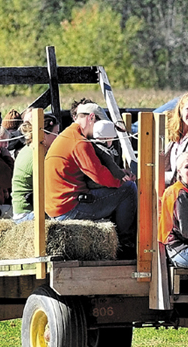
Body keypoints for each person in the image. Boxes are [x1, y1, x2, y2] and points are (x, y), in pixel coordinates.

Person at [45, 102, 137, 257]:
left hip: (57, 207)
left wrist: (118, 174)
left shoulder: (70, 134)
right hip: (69, 208)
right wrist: (121, 181)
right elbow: (99, 175)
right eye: (100, 123)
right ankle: (125, 244)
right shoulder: (80, 143)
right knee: (128, 190)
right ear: (92, 118)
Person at [158, 151, 188, 268]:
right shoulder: (180, 194)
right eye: (187, 167)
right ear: (179, 172)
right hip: (179, 249)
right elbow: (187, 231)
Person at [11, 115, 60, 222]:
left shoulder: (29, 149)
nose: (58, 137)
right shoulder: (37, 156)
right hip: (27, 215)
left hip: (24, 210)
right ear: (43, 135)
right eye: (55, 133)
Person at [86, 120, 134, 189]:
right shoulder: (102, 150)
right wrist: (122, 175)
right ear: (107, 138)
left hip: (95, 183)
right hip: (97, 186)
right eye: (112, 138)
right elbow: (110, 163)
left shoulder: (93, 145)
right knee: (130, 187)